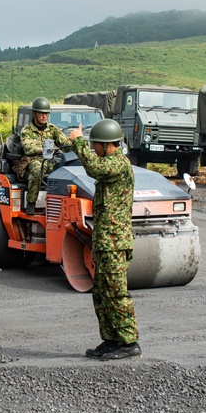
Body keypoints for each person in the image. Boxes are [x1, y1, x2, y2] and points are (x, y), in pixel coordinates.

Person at [68, 119, 140, 361]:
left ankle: (128, 342)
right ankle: (111, 340)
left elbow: (94, 169)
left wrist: (77, 141)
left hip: (115, 243)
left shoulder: (118, 163)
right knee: (101, 293)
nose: (93, 149)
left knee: (116, 293)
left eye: (95, 145)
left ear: (108, 145)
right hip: (105, 241)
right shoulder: (111, 161)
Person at [18, 97, 73, 214]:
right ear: (34, 113)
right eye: (41, 113)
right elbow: (27, 148)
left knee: (64, 173)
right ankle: (31, 203)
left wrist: (75, 142)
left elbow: (66, 144)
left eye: (46, 113)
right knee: (38, 170)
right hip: (33, 160)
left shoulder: (52, 129)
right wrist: (42, 149)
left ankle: (53, 205)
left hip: (51, 160)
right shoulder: (26, 130)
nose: (44, 116)